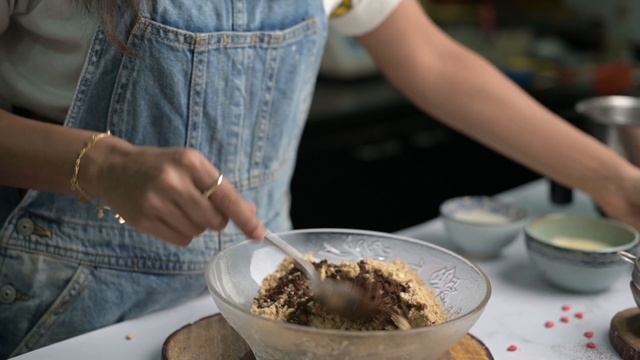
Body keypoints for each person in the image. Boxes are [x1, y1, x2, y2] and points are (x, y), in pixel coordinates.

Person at [1, 0, 639, 357]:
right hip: (70, 312)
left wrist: (614, 180)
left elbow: (434, 62)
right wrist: (105, 166)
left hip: (268, 302)